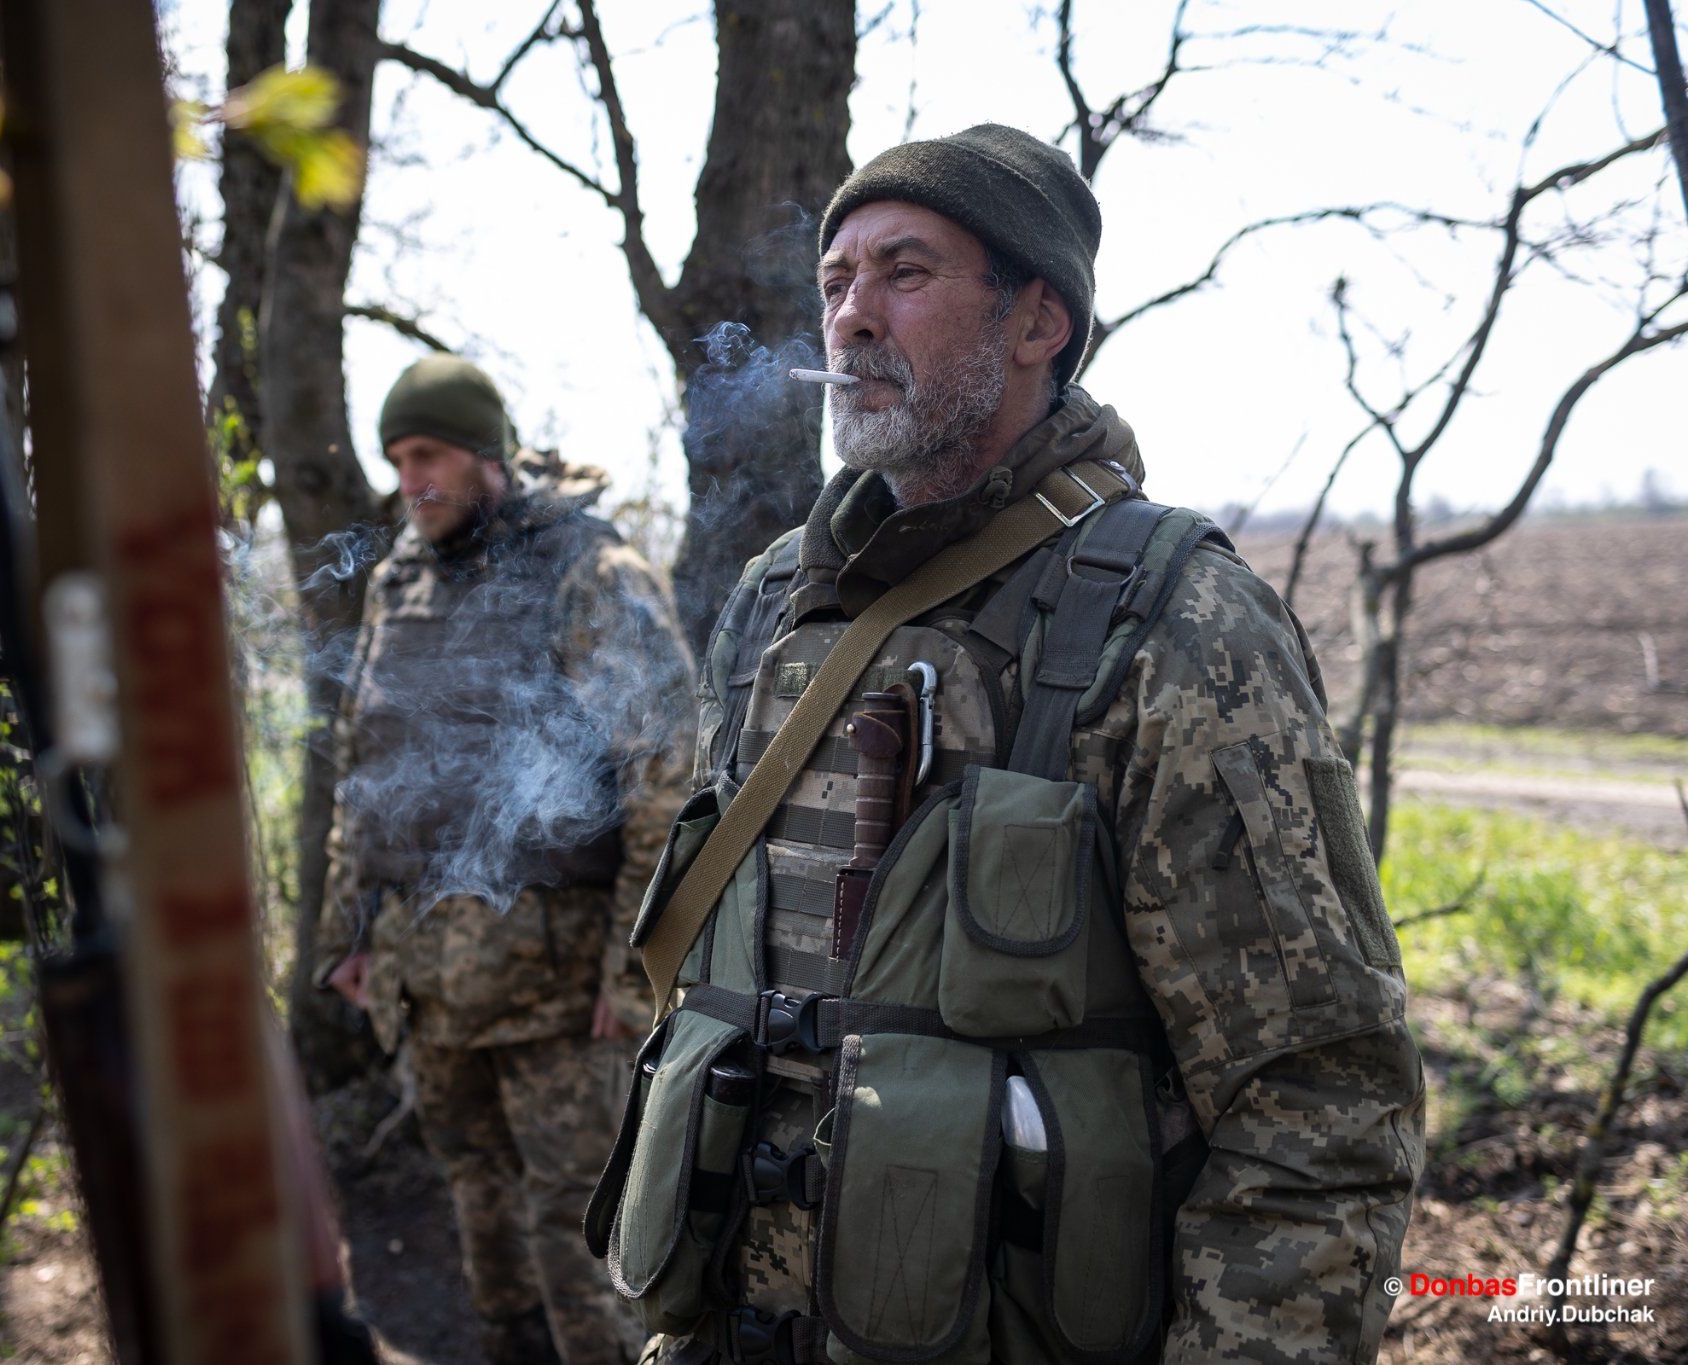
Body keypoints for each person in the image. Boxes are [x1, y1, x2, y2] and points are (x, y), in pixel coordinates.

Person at [586, 125, 1425, 1365]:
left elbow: (1317, 1100)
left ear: (1038, 322)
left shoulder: (1176, 619)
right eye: (834, 282)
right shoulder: (774, 603)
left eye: (905, 273)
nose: (851, 317)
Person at [318, 354, 694, 1365]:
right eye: (397, 459)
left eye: (427, 454)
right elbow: (363, 768)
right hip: (427, 983)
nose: (410, 480)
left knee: (583, 1231)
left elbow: (665, 778)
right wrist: (347, 934)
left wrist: (635, 969)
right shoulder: (398, 584)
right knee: (477, 1206)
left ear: (484, 452)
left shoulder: (588, 571)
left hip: (559, 994)